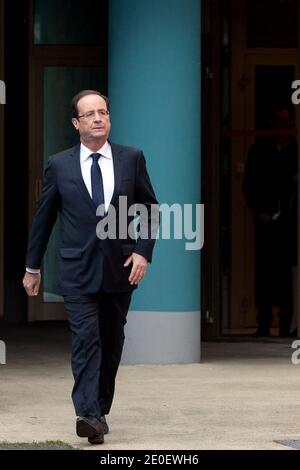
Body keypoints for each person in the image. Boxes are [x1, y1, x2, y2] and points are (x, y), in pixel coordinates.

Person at [23, 90, 159, 444]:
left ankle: (98, 410)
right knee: (86, 339)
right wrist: (32, 267)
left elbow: (150, 208)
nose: (98, 118)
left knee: (112, 342)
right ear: (76, 123)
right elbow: (44, 219)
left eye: (103, 113)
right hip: (77, 271)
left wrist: (143, 251)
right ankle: (86, 413)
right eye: (90, 114)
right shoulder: (60, 164)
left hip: (121, 269)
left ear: (109, 119)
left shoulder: (131, 159)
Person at [243, 107, 297, 337]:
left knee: (288, 274)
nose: (282, 125)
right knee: (264, 273)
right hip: (265, 221)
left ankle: (287, 325)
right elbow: (249, 185)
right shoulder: (258, 151)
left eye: (286, 121)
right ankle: (263, 323)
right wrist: (259, 210)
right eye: (278, 120)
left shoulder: (296, 151)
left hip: (291, 223)